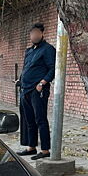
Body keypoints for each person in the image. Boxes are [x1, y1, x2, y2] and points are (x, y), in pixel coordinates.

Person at [17, 23, 56, 160]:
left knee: (40, 119)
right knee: (29, 119)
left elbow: (52, 68)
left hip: (38, 90)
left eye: (36, 33)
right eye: (32, 33)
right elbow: (26, 67)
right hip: (25, 89)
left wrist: (42, 83)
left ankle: (45, 150)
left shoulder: (48, 49)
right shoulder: (29, 51)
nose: (34, 35)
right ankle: (31, 147)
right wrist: (20, 80)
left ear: (41, 34)